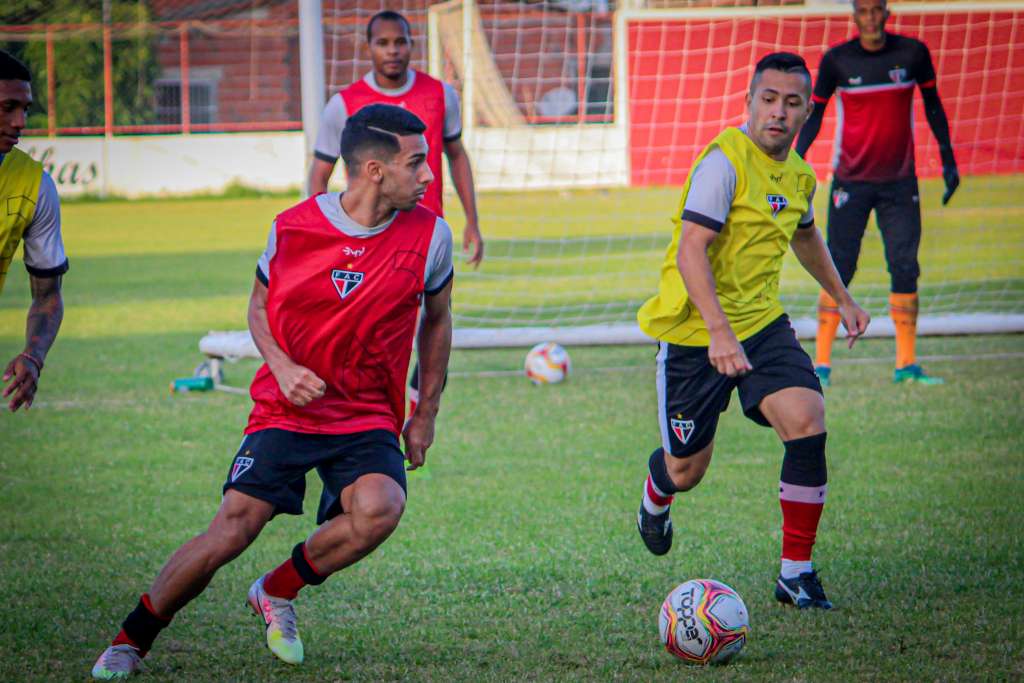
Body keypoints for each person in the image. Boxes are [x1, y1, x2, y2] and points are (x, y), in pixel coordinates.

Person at [91, 104, 454, 679]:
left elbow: (438, 321)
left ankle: (275, 590)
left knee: (381, 508)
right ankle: (129, 641)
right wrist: (282, 367)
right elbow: (258, 306)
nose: (430, 176)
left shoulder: (432, 234)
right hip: (286, 407)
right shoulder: (292, 227)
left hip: (365, 414)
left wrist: (425, 411)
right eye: (417, 163)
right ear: (374, 170)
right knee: (235, 525)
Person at [635, 53, 870, 610]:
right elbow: (692, 250)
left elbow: (805, 235)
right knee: (686, 469)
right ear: (748, 102)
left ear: (806, 112)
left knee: (807, 420)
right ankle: (655, 494)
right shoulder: (724, 164)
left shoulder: (800, 176)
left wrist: (844, 298)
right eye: (768, 100)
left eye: (792, 104)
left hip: (761, 325)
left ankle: (796, 573)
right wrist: (718, 332)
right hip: (695, 332)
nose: (779, 113)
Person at [309, 9, 480, 416]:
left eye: (400, 41)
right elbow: (319, 174)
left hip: (423, 236)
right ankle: (358, 415)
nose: (392, 51)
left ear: (411, 45)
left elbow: (456, 155)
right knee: (369, 331)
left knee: (436, 321)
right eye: (383, 43)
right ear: (368, 47)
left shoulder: (441, 95)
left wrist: (472, 220)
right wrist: (324, 231)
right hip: (366, 237)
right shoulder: (343, 104)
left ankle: (418, 410)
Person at [796, 0, 957, 386]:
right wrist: (795, 160)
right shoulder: (837, 61)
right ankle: (821, 365)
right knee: (838, 266)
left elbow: (934, 105)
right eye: (863, 11)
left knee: (904, 265)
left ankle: (906, 365)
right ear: (854, 15)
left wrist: (948, 160)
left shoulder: (913, 54)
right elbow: (815, 114)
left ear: (887, 13)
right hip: (850, 182)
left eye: (876, 10)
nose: (870, 18)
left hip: (900, 182)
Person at [0, 50, 67, 413]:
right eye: (7, 107)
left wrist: (34, 355)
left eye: (25, 109)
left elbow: (48, 295)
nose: (20, 122)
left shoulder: (34, 186)